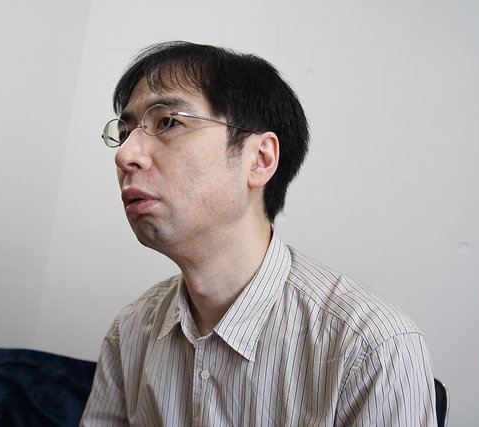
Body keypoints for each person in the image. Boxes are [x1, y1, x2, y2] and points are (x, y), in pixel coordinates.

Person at [81, 41, 437, 426]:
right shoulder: (130, 332)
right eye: (125, 132)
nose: (125, 155)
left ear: (260, 159)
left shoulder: (370, 348)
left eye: (167, 121)